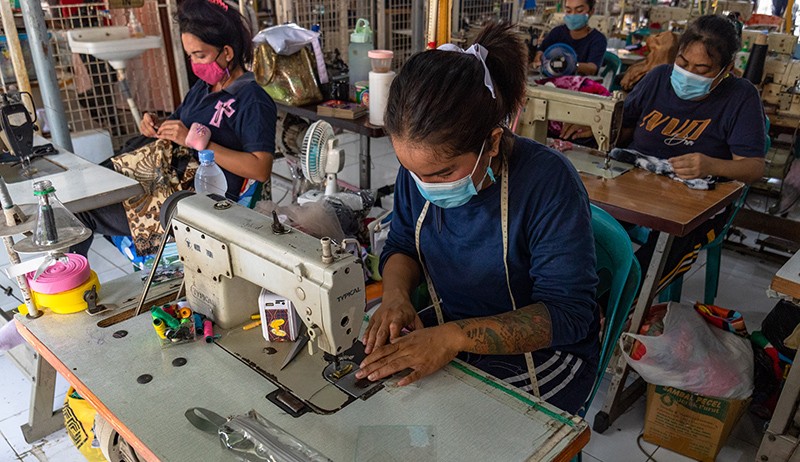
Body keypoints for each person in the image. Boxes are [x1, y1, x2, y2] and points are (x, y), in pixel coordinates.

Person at [357, 23, 599, 414]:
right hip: (448, 327)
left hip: (547, 355)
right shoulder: (418, 171)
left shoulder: (548, 183)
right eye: (412, 170)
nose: (424, 184)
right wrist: (396, 295)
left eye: (442, 174)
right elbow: (403, 243)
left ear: (492, 142)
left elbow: (568, 314)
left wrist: (453, 338)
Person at [74, 0, 276, 257]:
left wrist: (201, 144)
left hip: (196, 198)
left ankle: (64, 285)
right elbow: (178, 126)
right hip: (164, 176)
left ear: (227, 52)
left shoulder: (252, 99)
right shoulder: (203, 88)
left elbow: (260, 169)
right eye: (190, 56)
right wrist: (155, 125)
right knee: (87, 189)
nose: (194, 63)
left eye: (200, 55)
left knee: (84, 211)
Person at [619, 14, 766, 288]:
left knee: (665, 250)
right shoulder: (658, 78)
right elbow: (622, 129)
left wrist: (711, 165)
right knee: (582, 220)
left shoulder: (741, 96)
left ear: (727, 70)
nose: (688, 75)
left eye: (702, 69)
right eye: (683, 63)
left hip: (696, 204)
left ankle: (618, 307)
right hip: (635, 187)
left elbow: (754, 167)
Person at [533, 0, 607, 76]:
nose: (573, 14)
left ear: (591, 11)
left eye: (579, 10)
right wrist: (538, 57)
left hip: (579, 85)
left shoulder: (597, 39)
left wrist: (571, 65)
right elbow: (541, 50)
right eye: (568, 11)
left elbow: (592, 69)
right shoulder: (557, 32)